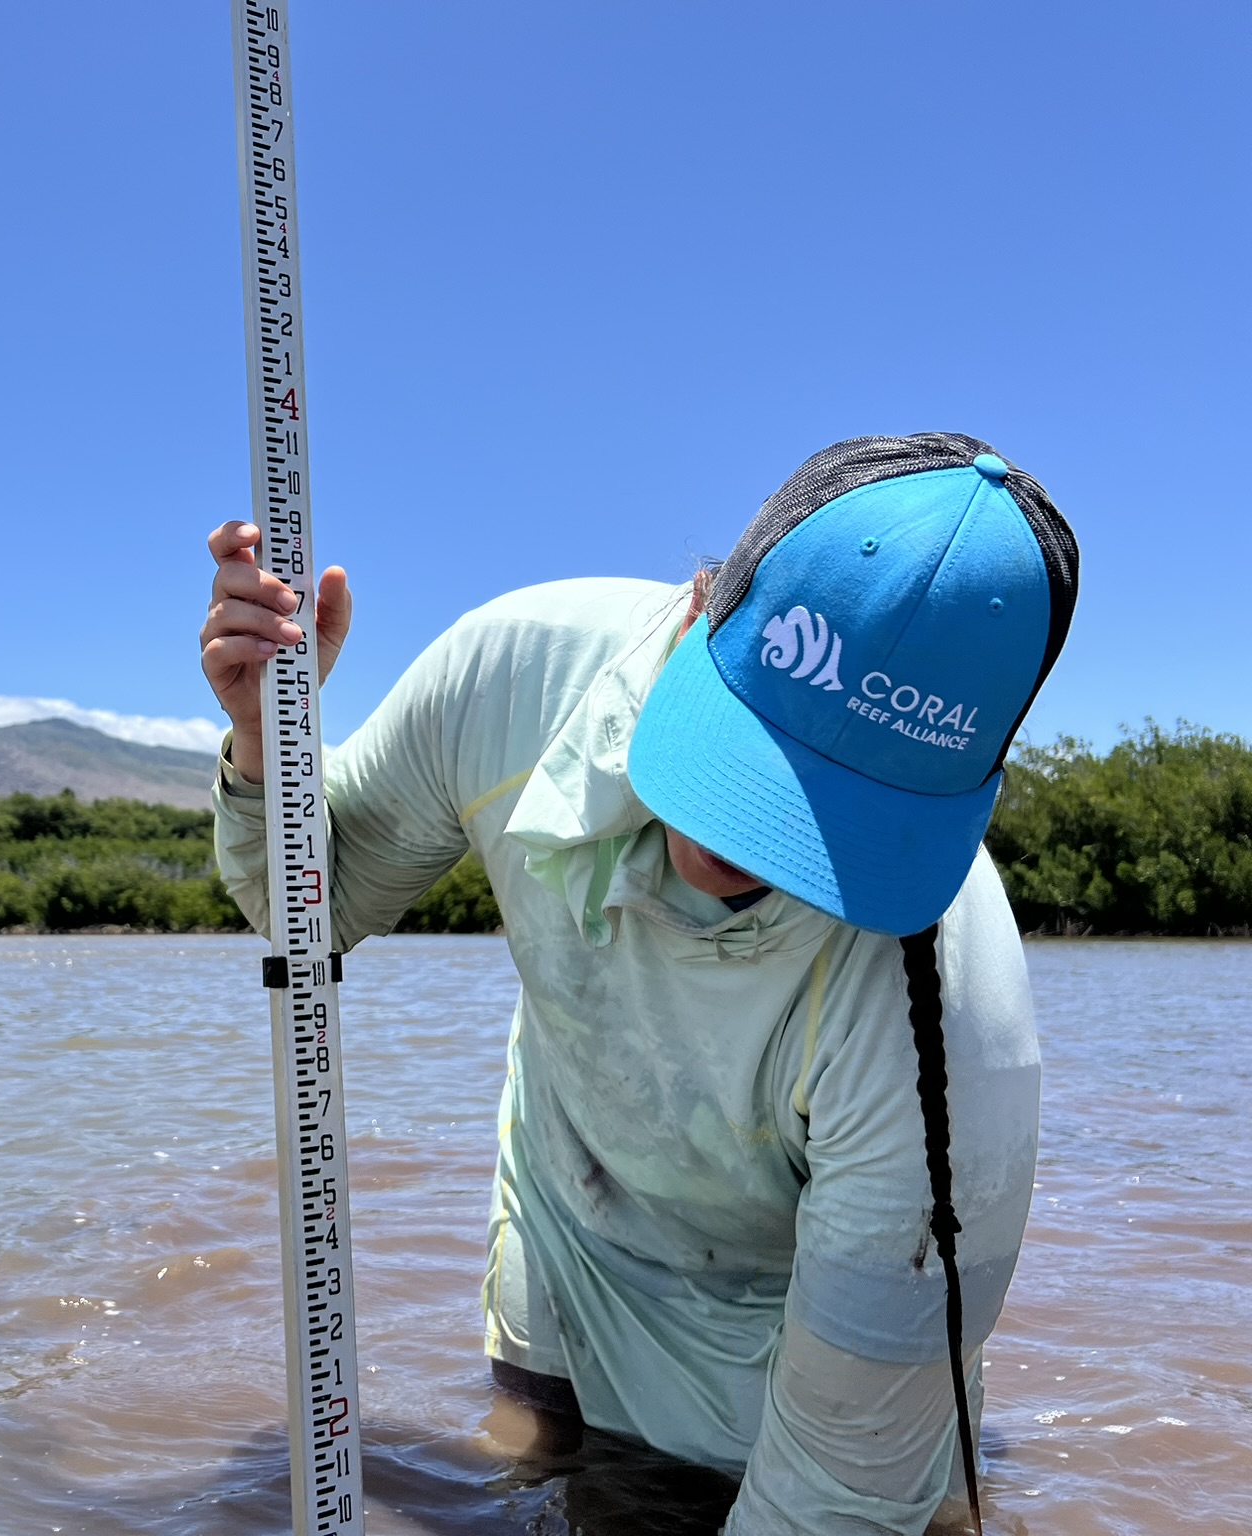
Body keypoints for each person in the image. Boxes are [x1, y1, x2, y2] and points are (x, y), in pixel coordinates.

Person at [199, 433, 1080, 1535]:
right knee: (537, 1477)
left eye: (833, 806)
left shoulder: (949, 1028)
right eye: (752, 751)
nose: (750, 840)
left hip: (798, 1293)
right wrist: (259, 751)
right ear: (705, 599)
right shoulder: (509, 677)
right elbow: (310, 911)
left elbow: (839, 1497)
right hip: (572, 1217)